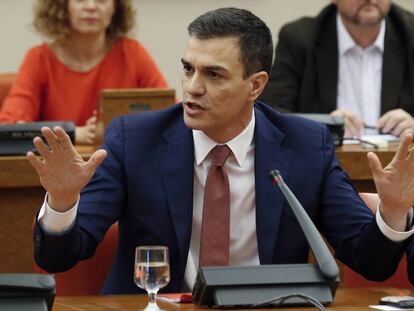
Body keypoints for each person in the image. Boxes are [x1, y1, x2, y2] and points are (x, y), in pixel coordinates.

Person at [29, 7, 414, 295]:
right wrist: (62, 203)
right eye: (188, 69)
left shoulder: (305, 146)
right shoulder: (136, 140)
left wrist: (395, 211)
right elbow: (59, 258)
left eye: (213, 74)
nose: (193, 87)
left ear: (256, 85)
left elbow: (371, 262)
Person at [0, 0, 167, 144]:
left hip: (119, 169)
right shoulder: (39, 59)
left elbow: (170, 113)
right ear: (63, 6)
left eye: (102, 0)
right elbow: (9, 128)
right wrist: (73, 133)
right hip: (56, 173)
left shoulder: (132, 54)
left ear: (115, 8)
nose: (91, 6)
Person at [260, 0, 414, 138]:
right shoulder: (300, 38)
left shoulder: (410, 33)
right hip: (325, 164)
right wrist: (327, 124)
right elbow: (271, 111)